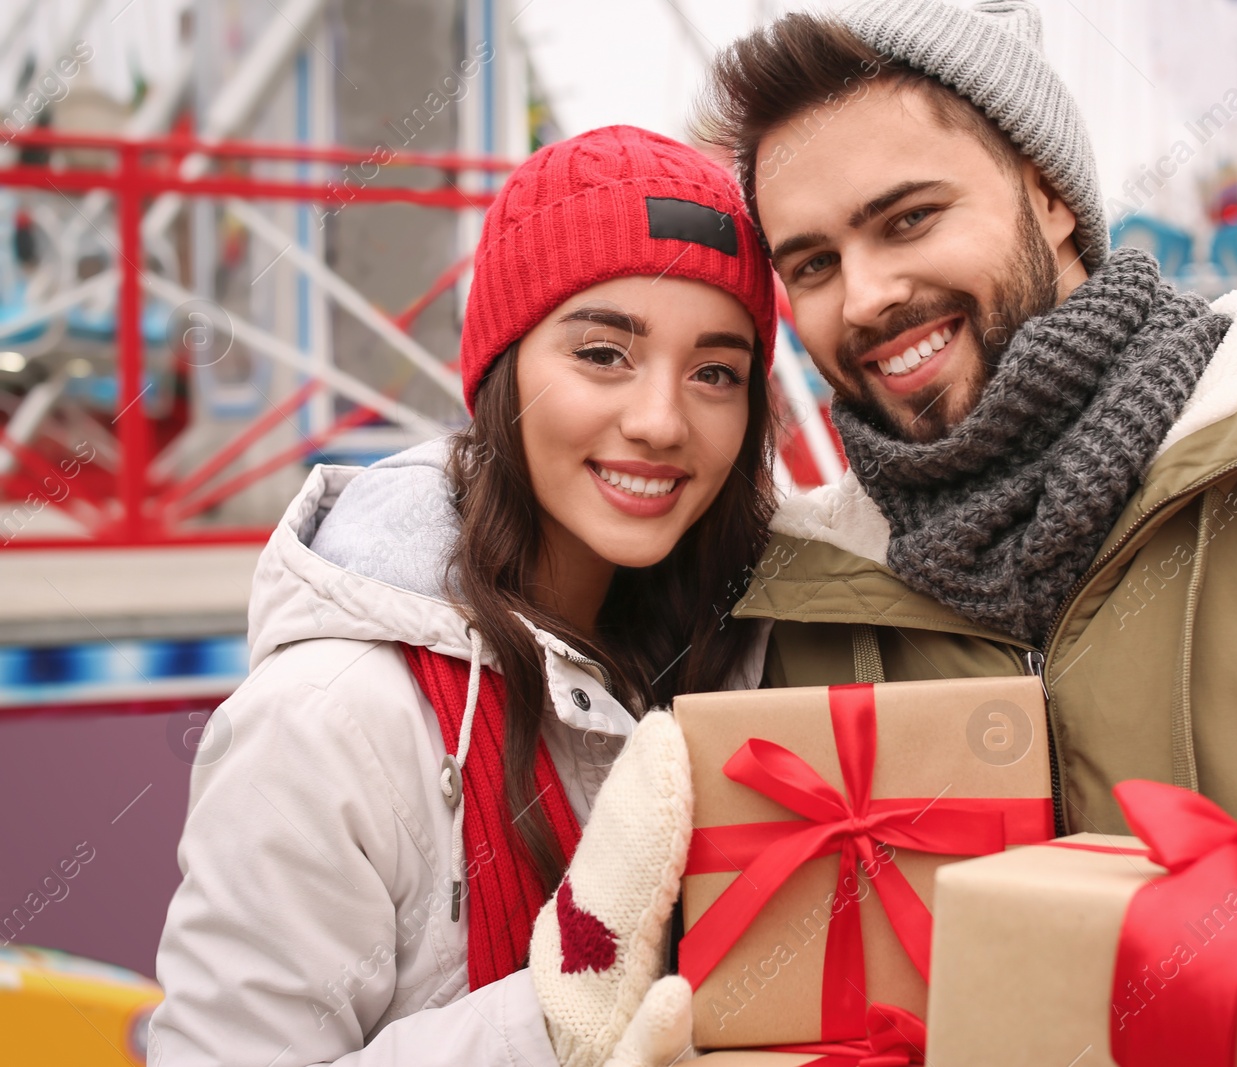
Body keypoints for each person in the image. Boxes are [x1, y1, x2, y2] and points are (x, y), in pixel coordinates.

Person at [689, 0, 1237, 1059]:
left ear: (1048, 192)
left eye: (908, 219)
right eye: (812, 264)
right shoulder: (800, 606)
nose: (866, 296)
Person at [147, 125, 779, 1067]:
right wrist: (556, 1019)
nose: (660, 421)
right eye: (604, 352)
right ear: (501, 368)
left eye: (716, 372)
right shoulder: (330, 718)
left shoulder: (748, 659)